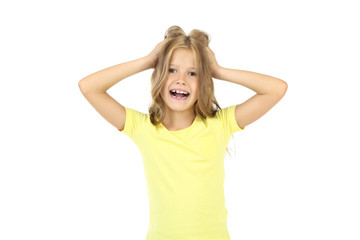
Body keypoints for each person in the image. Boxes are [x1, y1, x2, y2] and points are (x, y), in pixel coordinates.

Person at [78, 26, 287, 240]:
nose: (181, 80)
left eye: (193, 73)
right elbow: (88, 87)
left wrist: (217, 70)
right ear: (159, 75)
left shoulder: (220, 124)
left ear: (204, 82)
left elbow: (276, 89)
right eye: (171, 70)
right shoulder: (142, 127)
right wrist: (148, 61)